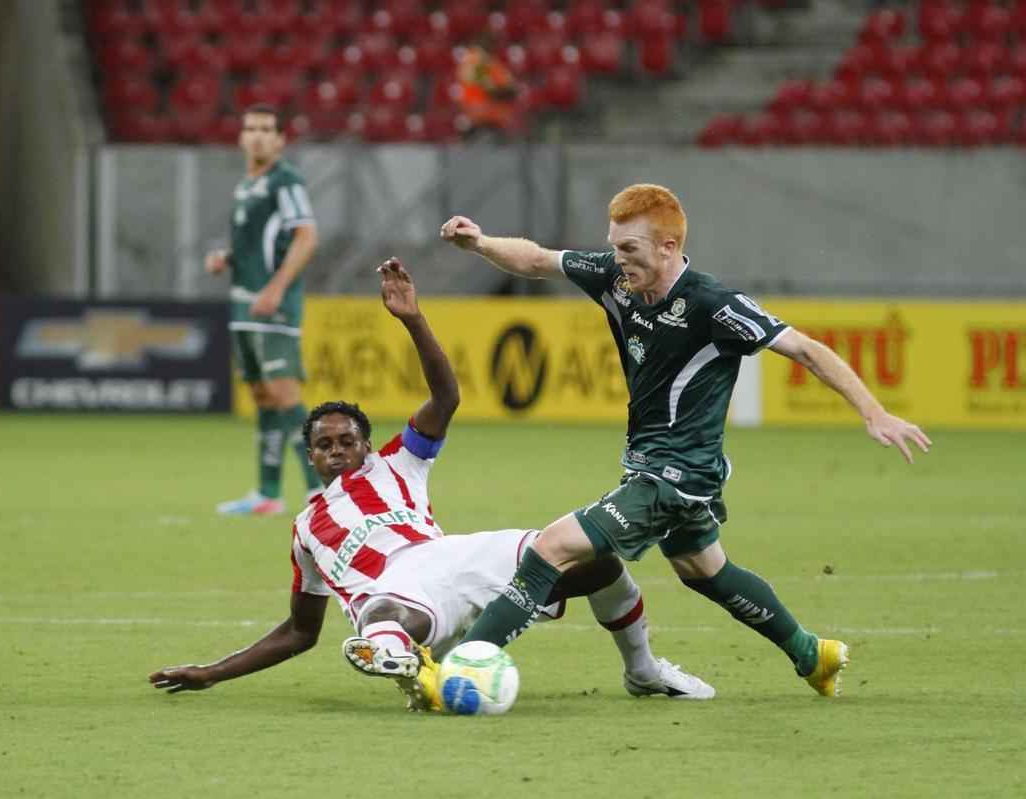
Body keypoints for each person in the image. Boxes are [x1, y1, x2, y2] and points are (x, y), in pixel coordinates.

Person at [149, 257, 714, 710]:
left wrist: (413, 320)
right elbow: (299, 632)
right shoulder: (304, 531)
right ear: (312, 457)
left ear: (367, 445)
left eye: (348, 440)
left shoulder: (397, 463)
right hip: (398, 590)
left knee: (598, 561)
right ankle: (395, 653)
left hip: (451, 555)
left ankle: (642, 672)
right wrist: (210, 673)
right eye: (325, 444)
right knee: (383, 613)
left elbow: (446, 397)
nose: (338, 450)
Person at [439, 184, 932, 697]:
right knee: (705, 570)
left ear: (668, 247)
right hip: (653, 466)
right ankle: (812, 655)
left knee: (551, 547)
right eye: (614, 246)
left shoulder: (714, 305)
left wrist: (873, 412)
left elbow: (806, 349)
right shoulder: (616, 279)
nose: (618, 259)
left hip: (676, 477)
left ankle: (466, 668)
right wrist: (480, 244)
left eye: (630, 249)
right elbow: (540, 260)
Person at [208, 104, 322, 516]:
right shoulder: (246, 185)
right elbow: (258, 244)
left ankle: (318, 490)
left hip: (272, 306)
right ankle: (268, 493)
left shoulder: (285, 181)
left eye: (266, 129)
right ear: (241, 137)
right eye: (250, 128)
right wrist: (226, 257)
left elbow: (306, 237)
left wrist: (276, 288)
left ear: (279, 140)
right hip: (243, 303)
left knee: (284, 392)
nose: (257, 135)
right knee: (261, 395)